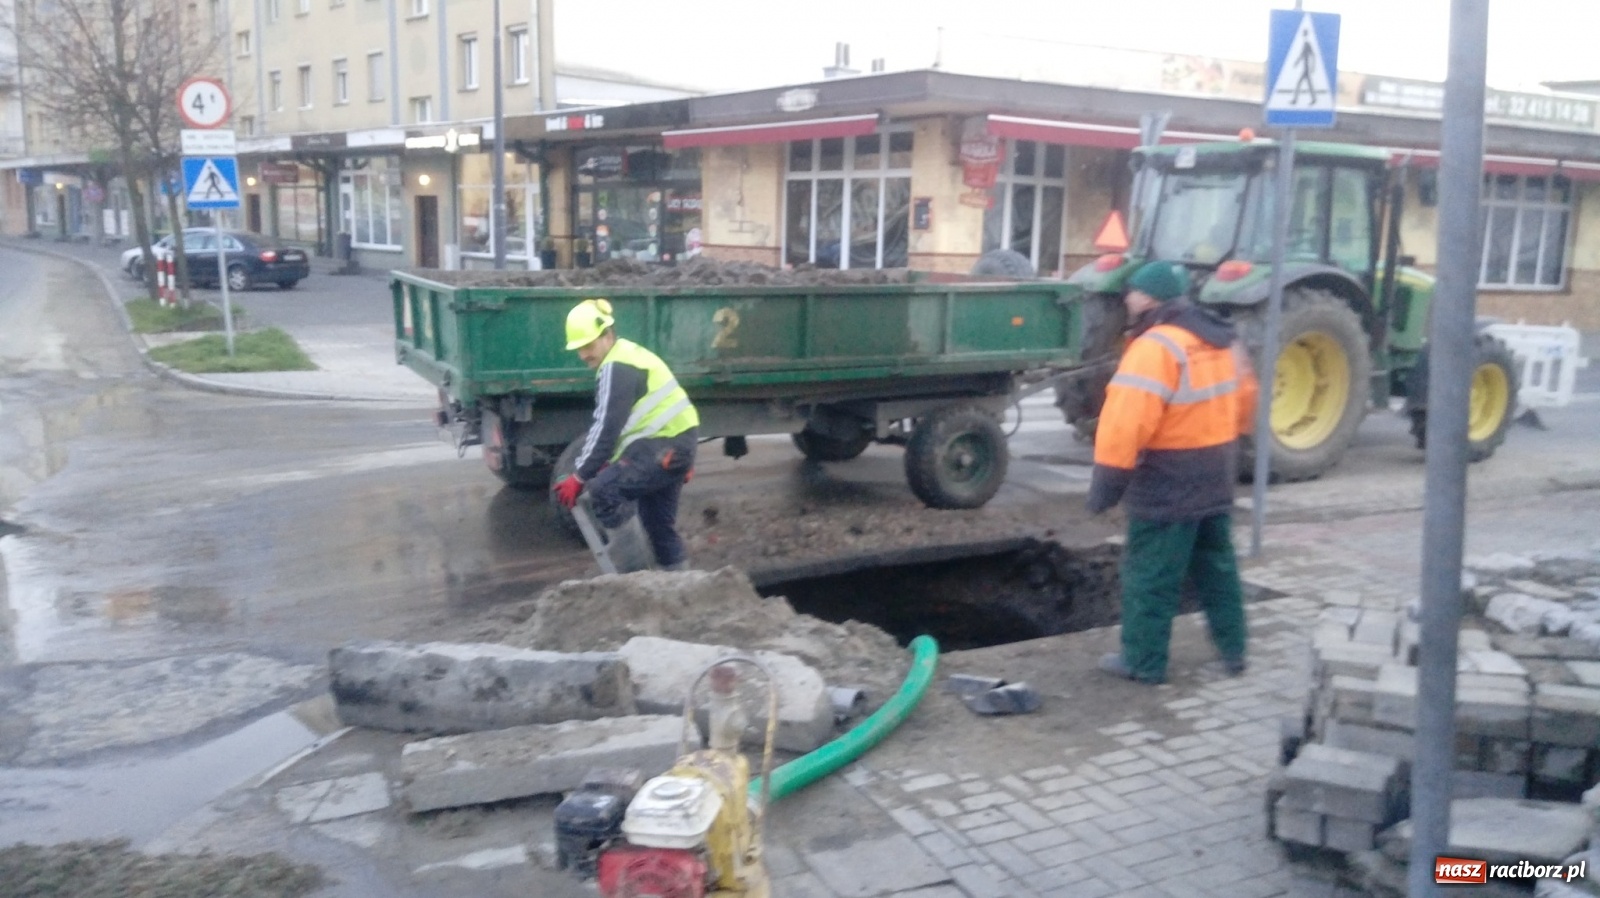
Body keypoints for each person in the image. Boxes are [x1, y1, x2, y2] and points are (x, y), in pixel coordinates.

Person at [1088, 261, 1259, 685]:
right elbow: (1247, 397)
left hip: (1169, 481)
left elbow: (1126, 422)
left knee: (1151, 575)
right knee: (1217, 566)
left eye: (1132, 291)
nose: (1127, 298)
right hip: (1216, 472)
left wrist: (1107, 484)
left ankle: (1143, 662)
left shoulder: (1155, 347)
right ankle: (1234, 650)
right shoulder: (1220, 338)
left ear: (1149, 297)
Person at [552, 299, 700, 571]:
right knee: (658, 526)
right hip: (675, 445)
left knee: (604, 491)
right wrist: (684, 456)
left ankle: (634, 578)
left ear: (608, 335)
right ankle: (680, 588)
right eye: (579, 349)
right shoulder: (630, 355)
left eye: (589, 345)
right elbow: (634, 425)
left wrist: (579, 476)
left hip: (664, 447)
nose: (584, 354)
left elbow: (606, 427)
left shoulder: (616, 366)